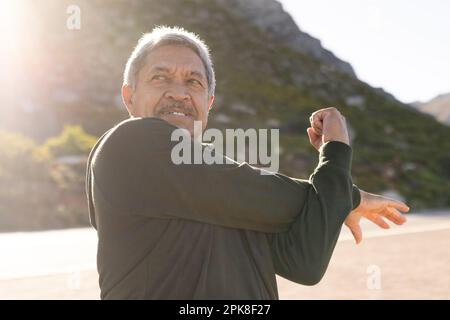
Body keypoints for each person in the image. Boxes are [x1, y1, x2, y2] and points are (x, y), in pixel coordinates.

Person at [86, 26, 409, 299]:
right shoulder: (127, 144)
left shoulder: (227, 192)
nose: (179, 93)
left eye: (193, 82)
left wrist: (335, 196)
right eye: (160, 78)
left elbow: (305, 262)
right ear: (129, 97)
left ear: (208, 103)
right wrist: (338, 163)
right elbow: (274, 196)